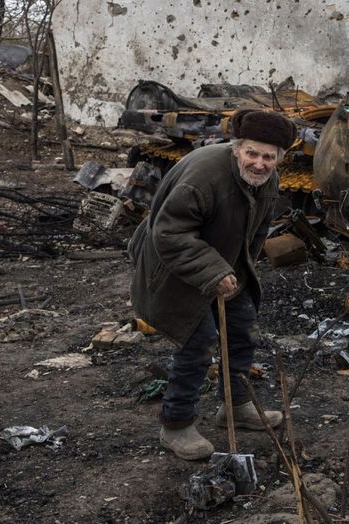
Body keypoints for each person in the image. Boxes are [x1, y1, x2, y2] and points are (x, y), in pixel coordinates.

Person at [128, 108, 296, 460]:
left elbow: (257, 230)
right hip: (171, 264)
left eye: (269, 157)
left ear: (279, 158)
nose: (260, 163)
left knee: (242, 329)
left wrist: (239, 273)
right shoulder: (204, 176)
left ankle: (235, 406)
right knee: (198, 341)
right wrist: (212, 272)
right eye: (252, 153)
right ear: (236, 149)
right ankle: (176, 425)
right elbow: (169, 233)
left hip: (221, 265)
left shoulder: (267, 179)